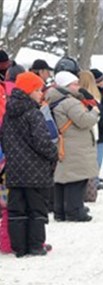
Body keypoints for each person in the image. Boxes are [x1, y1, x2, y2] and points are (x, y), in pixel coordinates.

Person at [0, 72, 57, 257]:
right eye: (39, 90)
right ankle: (35, 245)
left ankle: (19, 247)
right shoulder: (33, 113)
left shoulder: (9, 113)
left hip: (15, 169)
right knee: (36, 209)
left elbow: (4, 139)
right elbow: (42, 142)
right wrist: (53, 154)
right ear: (30, 91)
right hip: (36, 170)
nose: (41, 94)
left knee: (17, 210)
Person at [46, 71, 100, 222]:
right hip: (75, 145)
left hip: (64, 143)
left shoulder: (53, 99)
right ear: (66, 86)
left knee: (63, 178)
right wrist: (95, 112)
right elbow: (84, 121)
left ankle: (60, 211)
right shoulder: (70, 102)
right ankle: (75, 211)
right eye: (75, 84)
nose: (78, 87)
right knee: (77, 179)